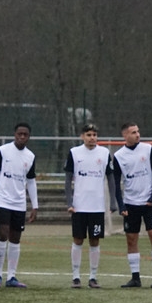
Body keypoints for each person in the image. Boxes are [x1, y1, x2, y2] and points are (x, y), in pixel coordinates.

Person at [64, 123, 117, 289]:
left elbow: (111, 178)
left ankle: (93, 277)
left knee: (95, 241)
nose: (92, 138)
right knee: (78, 240)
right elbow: (68, 179)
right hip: (79, 206)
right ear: (82, 136)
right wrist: (69, 202)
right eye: (88, 135)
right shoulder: (74, 153)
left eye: (94, 134)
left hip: (97, 206)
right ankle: (75, 276)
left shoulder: (104, 153)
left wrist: (113, 201)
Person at [112, 122, 152, 288]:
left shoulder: (148, 149)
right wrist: (121, 205)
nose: (137, 135)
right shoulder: (119, 156)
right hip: (131, 203)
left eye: (138, 131)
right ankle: (135, 278)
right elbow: (116, 183)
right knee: (131, 239)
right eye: (133, 132)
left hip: (149, 203)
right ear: (125, 135)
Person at [0, 122, 38, 288]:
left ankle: (11, 277)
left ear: (29, 137)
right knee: (2, 235)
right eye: (19, 134)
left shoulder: (30, 156)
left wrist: (35, 206)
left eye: (25, 134)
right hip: (2, 201)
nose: (22, 137)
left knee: (15, 239)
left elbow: (31, 182)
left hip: (19, 204)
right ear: (14, 134)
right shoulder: (3, 151)